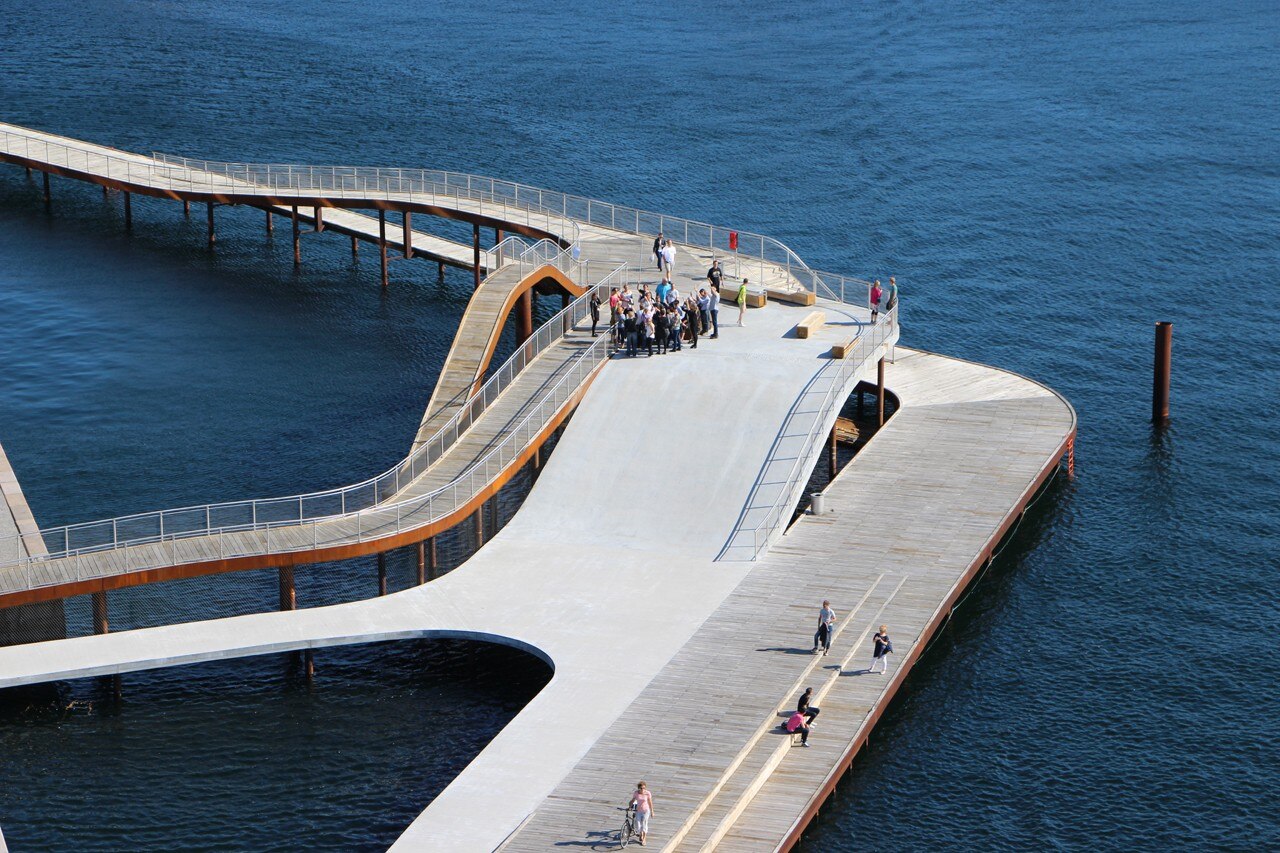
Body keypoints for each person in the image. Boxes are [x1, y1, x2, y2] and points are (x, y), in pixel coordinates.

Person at [631, 781, 655, 846]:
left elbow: (650, 802)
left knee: (644, 824)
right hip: (638, 810)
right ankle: (640, 834)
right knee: (638, 825)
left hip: (646, 811)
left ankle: (644, 839)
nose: (642, 789)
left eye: (644, 788)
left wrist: (652, 811)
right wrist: (630, 806)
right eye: (641, 788)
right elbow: (633, 800)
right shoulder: (636, 793)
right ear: (639, 788)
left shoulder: (648, 793)